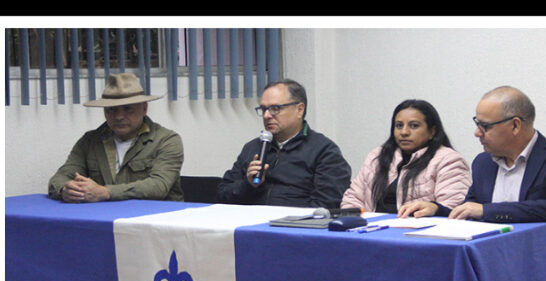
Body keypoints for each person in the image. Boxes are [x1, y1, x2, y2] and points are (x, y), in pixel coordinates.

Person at [399, 86, 546, 281]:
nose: (477, 133)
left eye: (484, 126)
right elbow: (470, 211)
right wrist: (437, 209)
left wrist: (486, 211)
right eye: (476, 123)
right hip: (492, 275)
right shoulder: (483, 163)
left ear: (515, 125)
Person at [48, 73, 184, 202]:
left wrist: (106, 192)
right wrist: (66, 189)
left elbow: (159, 186)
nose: (119, 116)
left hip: (157, 218)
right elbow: (61, 177)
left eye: (127, 108)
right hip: (105, 218)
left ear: (144, 108)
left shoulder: (166, 140)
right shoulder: (90, 141)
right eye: (111, 110)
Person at [217, 79, 351, 209]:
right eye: (263, 109)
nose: (267, 115)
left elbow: (326, 205)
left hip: (295, 228)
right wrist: (248, 184)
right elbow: (223, 196)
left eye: (275, 108)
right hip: (249, 226)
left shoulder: (324, 151)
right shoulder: (253, 148)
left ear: (299, 109)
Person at [341, 99, 471, 213]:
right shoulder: (377, 156)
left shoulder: (448, 160)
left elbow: (453, 208)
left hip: (418, 235)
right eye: (399, 126)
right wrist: (354, 223)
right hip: (371, 231)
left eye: (414, 126)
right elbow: (353, 198)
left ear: (432, 131)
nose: (404, 132)